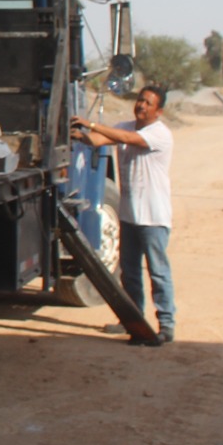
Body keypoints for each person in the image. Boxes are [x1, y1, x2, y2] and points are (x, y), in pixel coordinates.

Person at [72, 85, 176, 344]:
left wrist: (92, 124)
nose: (141, 105)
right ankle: (133, 320)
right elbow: (99, 141)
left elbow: (126, 139)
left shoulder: (160, 134)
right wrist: (78, 134)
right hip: (130, 215)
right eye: (140, 100)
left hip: (153, 217)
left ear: (158, 110)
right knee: (129, 273)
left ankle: (166, 324)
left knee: (158, 272)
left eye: (148, 103)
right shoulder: (126, 126)